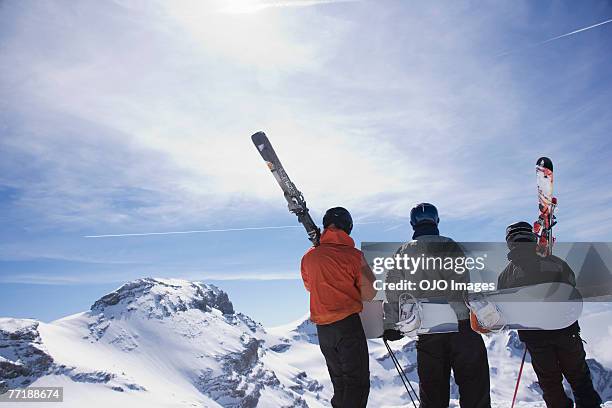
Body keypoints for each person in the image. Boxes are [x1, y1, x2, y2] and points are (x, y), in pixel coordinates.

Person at [383, 203, 491, 408]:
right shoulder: (450, 246)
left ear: (412, 224)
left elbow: (393, 289)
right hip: (461, 326)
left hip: (428, 329)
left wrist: (390, 324)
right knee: (474, 387)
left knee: (432, 393)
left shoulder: (403, 252)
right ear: (437, 221)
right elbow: (461, 282)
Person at [497, 221, 602, 408]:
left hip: (535, 338)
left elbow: (505, 308)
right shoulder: (553, 262)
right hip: (565, 331)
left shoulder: (506, 276)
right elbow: (571, 285)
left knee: (550, 384)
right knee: (579, 379)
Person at [301, 207, 377, 408]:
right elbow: (370, 293)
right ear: (348, 227)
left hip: (323, 330)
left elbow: (310, 286)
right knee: (357, 383)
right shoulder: (355, 256)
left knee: (340, 383)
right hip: (347, 326)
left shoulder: (309, 257)